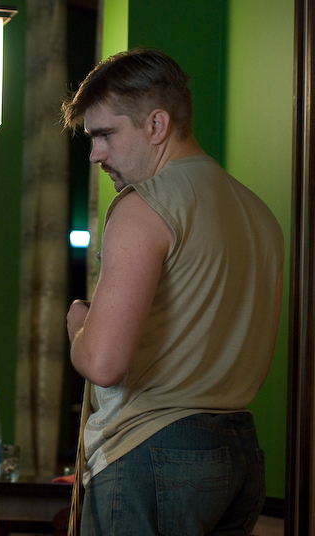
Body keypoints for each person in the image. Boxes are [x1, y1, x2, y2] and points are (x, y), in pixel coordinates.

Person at [62, 48, 284, 535]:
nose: (95, 154)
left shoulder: (143, 206)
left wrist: (80, 323)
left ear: (156, 125)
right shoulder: (260, 215)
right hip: (240, 456)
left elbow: (103, 363)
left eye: (105, 134)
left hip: (152, 452)